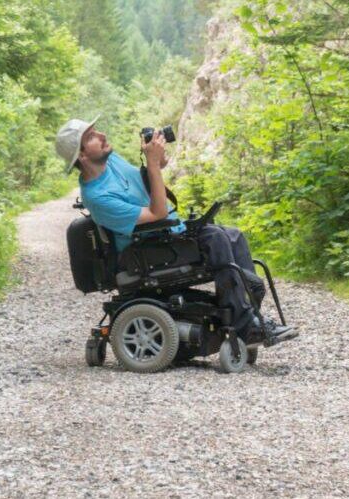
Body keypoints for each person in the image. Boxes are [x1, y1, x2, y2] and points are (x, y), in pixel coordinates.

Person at [55, 116, 293, 342]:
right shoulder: (97, 196)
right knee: (215, 238)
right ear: (83, 156)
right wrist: (153, 165)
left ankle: (250, 318)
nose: (101, 134)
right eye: (91, 136)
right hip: (145, 251)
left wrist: (156, 163)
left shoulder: (110, 160)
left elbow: (147, 186)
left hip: (166, 235)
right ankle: (244, 325)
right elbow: (157, 213)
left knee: (234, 236)